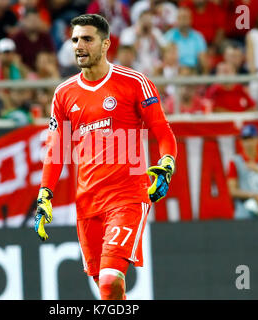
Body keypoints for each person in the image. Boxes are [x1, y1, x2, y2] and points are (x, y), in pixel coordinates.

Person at [33, 14, 177, 300]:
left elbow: (163, 131)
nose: (79, 45)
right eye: (75, 39)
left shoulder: (134, 82)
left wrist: (167, 163)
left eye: (87, 39)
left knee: (111, 281)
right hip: (87, 203)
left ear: (105, 44)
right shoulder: (64, 93)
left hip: (126, 197)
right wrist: (44, 194)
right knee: (108, 291)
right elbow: (57, 150)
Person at [163, 7, 208, 74]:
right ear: (177, 20)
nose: (183, 21)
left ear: (191, 20)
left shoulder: (198, 37)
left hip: (193, 70)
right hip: (174, 69)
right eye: (181, 18)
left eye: (185, 18)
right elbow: (164, 56)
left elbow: (203, 60)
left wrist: (204, 78)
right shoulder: (169, 36)